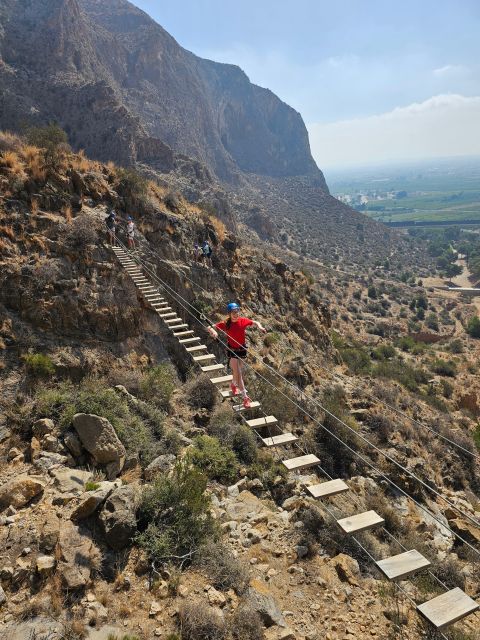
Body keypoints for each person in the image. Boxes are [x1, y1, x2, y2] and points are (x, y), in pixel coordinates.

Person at [208, 302, 266, 408]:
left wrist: (260, 327)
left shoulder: (243, 321)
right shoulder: (226, 323)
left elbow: (255, 322)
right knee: (238, 372)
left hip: (242, 349)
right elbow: (210, 327)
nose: (236, 314)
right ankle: (245, 398)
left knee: (237, 371)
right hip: (232, 350)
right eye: (233, 312)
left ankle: (233, 385)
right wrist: (214, 332)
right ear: (229, 313)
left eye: (237, 311)